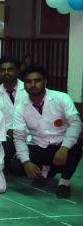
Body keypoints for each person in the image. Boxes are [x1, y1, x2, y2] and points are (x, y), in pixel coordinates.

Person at [12, 65, 82, 199]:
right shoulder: (20, 107)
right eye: (28, 81)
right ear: (24, 84)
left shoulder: (61, 98)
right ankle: (45, 170)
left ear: (45, 82)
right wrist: (26, 163)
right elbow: (19, 137)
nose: (33, 85)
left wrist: (64, 148)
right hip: (39, 145)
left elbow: (75, 124)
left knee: (77, 145)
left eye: (37, 80)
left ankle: (64, 182)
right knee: (16, 167)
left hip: (61, 145)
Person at [0, 56, 27, 166]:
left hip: (30, 135)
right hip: (7, 136)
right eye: (2, 70)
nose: (6, 73)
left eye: (10, 69)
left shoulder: (28, 90)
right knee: (3, 152)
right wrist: (7, 130)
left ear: (17, 71)